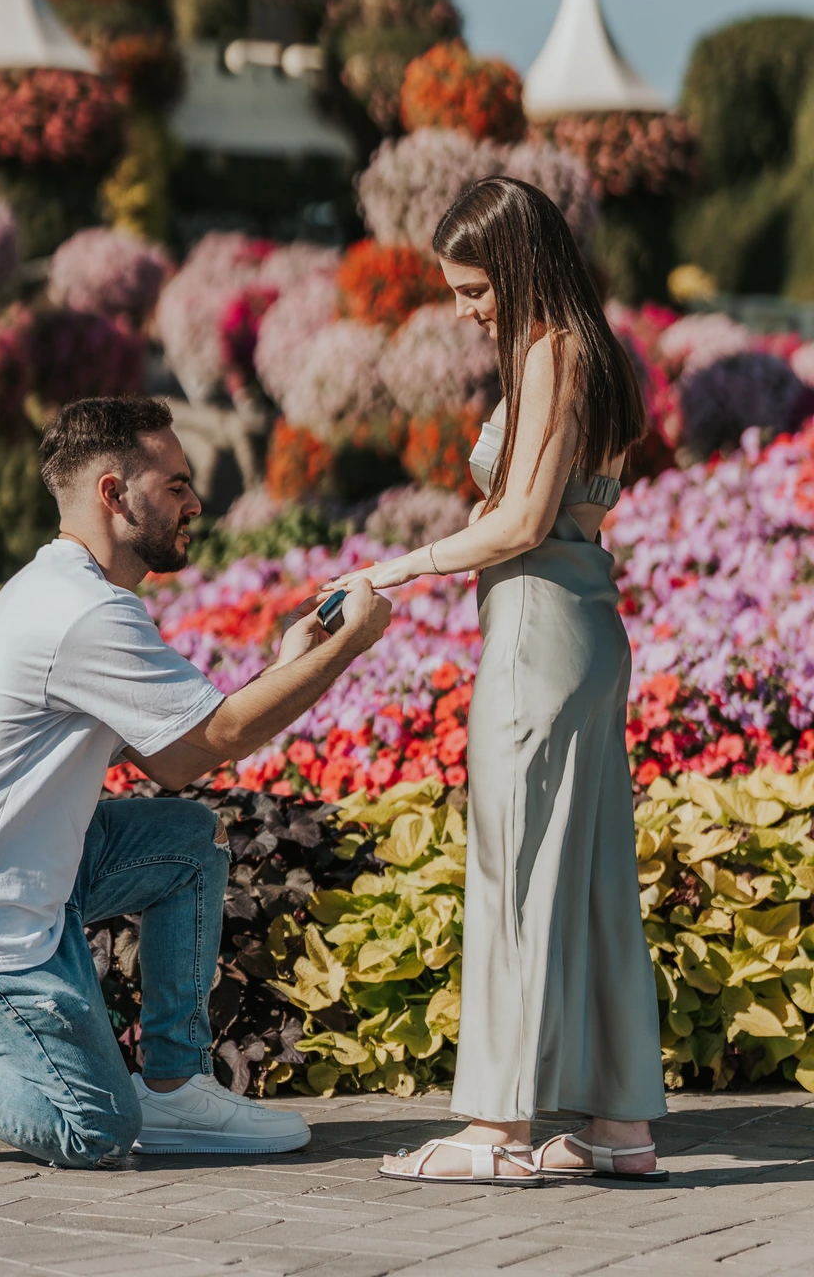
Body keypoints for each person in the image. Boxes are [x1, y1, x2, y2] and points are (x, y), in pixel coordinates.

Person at [0, 394, 391, 1173]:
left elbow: (170, 748)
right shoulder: (84, 611)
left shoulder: (66, 589)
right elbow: (193, 755)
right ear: (114, 493)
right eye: (175, 486)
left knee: (188, 841)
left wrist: (287, 665)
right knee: (95, 1130)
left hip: (12, 869)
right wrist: (347, 650)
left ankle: (174, 1087)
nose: (194, 503)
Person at [329, 177, 668, 1186]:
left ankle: (497, 1131)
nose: (469, 310)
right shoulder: (601, 353)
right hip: (587, 627)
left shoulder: (548, 351)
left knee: (513, 873)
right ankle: (616, 1126)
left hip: (532, 626)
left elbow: (517, 524)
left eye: (475, 289)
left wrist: (388, 568)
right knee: (595, 879)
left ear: (517, 269)